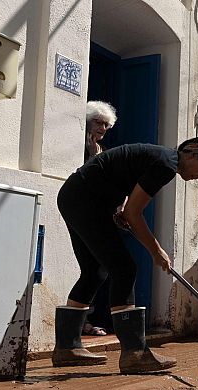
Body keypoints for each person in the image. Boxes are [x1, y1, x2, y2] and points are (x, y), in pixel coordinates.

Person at [53, 136, 198, 374]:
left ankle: (67, 347)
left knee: (95, 272)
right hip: (85, 200)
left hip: (76, 197)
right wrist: (157, 251)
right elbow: (135, 214)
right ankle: (134, 353)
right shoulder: (166, 164)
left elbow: (123, 180)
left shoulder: (163, 159)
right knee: (124, 269)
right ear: (192, 154)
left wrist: (121, 208)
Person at [82, 101, 118, 336]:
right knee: (90, 269)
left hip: (96, 216)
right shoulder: (78, 145)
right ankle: (80, 322)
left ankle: (85, 319)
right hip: (79, 214)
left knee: (96, 268)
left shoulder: (101, 152)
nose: (102, 129)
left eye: (106, 125)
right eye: (98, 122)